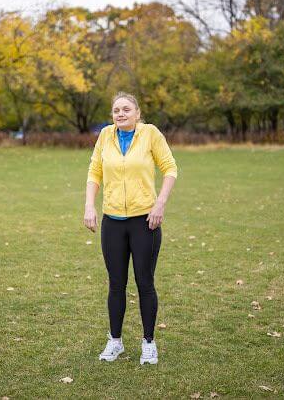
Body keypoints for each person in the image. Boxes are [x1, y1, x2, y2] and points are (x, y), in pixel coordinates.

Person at [84, 92, 177, 365]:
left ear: (137, 113)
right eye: (116, 110)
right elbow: (94, 172)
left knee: (145, 283)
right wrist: (89, 206)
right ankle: (115, 341)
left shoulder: (150, 134)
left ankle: (149, 343)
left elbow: (170, 168)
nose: (120, 114)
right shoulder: (105, 136)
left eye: (126, 109)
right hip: (112, 222)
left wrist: (159, 204)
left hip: (145, 221)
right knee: (116, 284)